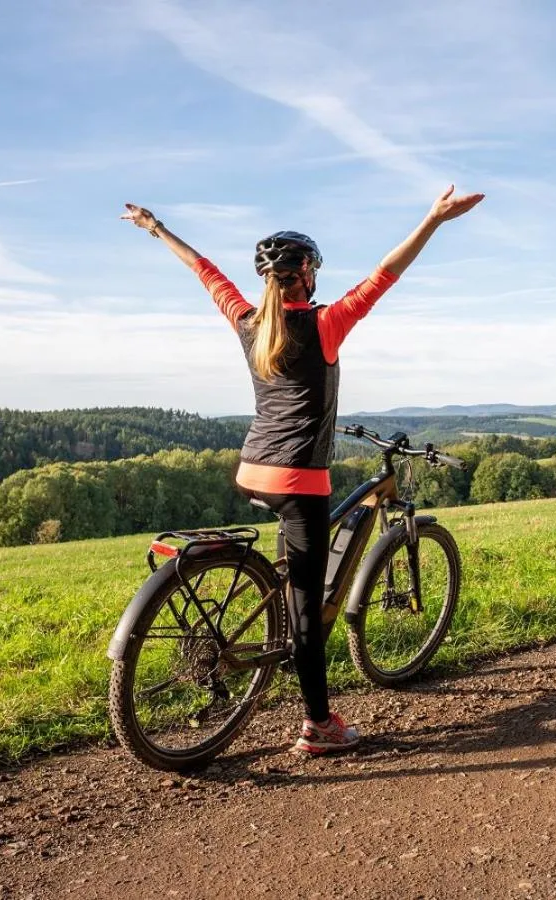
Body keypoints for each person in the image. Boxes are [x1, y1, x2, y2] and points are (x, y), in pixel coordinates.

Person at [121, 186, 484, 752]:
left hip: (252, 469)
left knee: (297, 567)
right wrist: (433, 219)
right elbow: (385, 275)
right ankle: (319, 725)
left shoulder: (247, 321)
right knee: (307, 612)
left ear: (267, 280)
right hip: (298, 480)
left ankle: (279, 625)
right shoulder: (325, 324)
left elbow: (204, 271)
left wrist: (154, 227)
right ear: (307, 275)